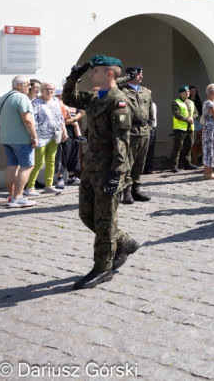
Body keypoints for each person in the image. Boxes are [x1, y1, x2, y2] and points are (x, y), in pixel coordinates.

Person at [63, 55, 139, 290]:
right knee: (87, 215)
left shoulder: (118, 101)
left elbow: (122, 140)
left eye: (94, 71)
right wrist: (73, 77)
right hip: (91, 165)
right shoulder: (95, 97)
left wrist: (117, 173)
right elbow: (69, 98)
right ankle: (125, 241)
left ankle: (102, 268)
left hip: (108, 167)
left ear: (109, 74)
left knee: (105, 223)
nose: (90, 74)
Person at [0, 76, 38, 207]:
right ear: (20, 85)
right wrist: (34, 136)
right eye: (28, 84)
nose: (30, 87)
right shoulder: (21, 97)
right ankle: (18, 197)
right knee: (27, 166)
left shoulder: (3, 98)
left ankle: (11, 196)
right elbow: (27, 119)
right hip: (21, 139)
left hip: (6, 138)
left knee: (12, 167)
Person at [117, 66, 154, 204]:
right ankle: (126, 192)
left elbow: (150, 110)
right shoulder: (122, 90)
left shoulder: (145, 91)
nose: (141, 76)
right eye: (138, 74)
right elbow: (112, 85)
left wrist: (150, 126)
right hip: (129, 131)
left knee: (140, 162)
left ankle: (136, 190)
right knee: (128, 162)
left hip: (144, 130)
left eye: (141, 74)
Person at [24, 81, 68, 196]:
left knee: (51, 161)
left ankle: (48, 185)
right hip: (40, 136)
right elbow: (33, 120)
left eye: (52, 89)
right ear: (42, 90)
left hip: (54, 135)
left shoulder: (56, 101)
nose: (50, 91)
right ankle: (29, 187)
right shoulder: (35, 102)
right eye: (47, 89)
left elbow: (60, 117)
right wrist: (34, 136)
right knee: (38, 162)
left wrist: (64, 130)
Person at [55, 87, 84, 189]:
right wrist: (72, 122)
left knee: (73, 155)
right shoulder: (56, 104)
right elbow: (59, 119)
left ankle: (71, 177)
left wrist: (74, 119)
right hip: (63, 132)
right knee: (62, 156)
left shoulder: (72, 102)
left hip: (73, 133)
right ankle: (59, 178)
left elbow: (80, 112)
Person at [171, 85, 198, 172]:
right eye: (185, 92)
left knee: (189, 146)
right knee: (178, 147)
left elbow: (196, 112)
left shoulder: (191, 102)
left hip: (190, 128)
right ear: (181, 93)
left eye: (188, 92)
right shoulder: (176, 102)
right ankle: (175, 165)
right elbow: (177, 114)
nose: (187, 93)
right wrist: (187, 119)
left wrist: (193, 118)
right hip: (180, 128)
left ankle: (188, 163)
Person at [189, 86, 204, 166]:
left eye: (195, 91)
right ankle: (192, 158)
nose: (194, 92)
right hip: (192, 121)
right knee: (192, 140)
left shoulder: (198, 101)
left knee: (199, 140)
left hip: (199, 121)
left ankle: (198, 157)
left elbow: (201, 111)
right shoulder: (188, 101)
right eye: (192, 91)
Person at [143, 101, 157, 174]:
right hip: (145, 128)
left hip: (152, 128)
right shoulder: (142, 104)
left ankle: (148, 167)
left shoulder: (153, 104)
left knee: (150, 149)